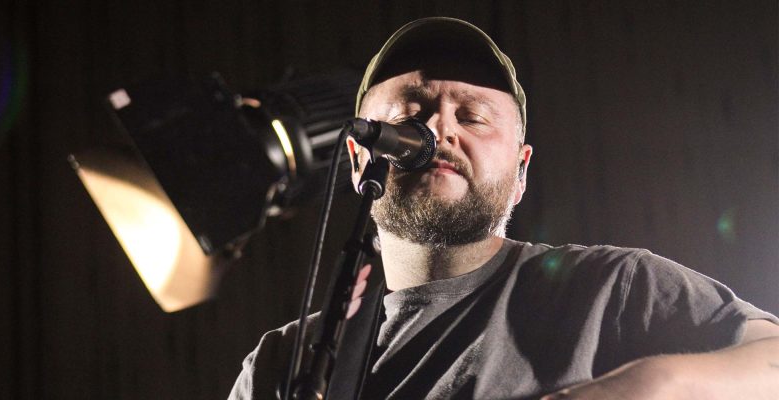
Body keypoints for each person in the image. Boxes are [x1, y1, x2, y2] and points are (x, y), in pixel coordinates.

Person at [229, 17, 779, 400]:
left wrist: (656, 385)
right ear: (357, 159)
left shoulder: (613, 289)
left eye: (473, 117)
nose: (439, 128)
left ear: (520, 172)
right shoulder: (284, 365)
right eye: (411, 111)